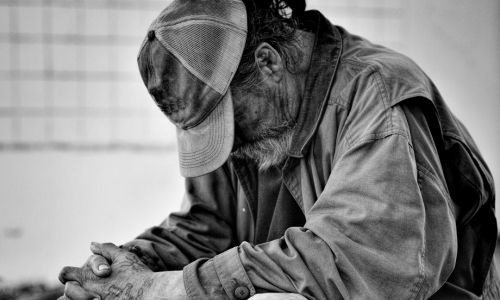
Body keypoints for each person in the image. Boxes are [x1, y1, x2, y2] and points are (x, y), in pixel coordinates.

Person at [58, 0, 500, 299]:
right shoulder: (253, 117)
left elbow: (360, 264)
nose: (228, 143)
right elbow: (208, 226)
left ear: (267, 62)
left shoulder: (375, 96)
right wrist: (125, 269)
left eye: (226, 121)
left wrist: (165, 290)